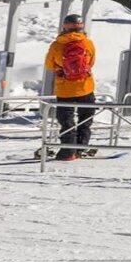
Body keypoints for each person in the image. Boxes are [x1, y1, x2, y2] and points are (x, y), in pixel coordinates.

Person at [42, 10, 98, 160]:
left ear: (65, 27)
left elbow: (48, 64)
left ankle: (67, 152)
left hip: (64, 89)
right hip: (85, 87)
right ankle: (81, 148)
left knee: (66, 121)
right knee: (85, 119)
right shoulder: (87, 43)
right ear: (81, 27)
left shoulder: (56, 45)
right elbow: (92, 62)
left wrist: (60, 68)